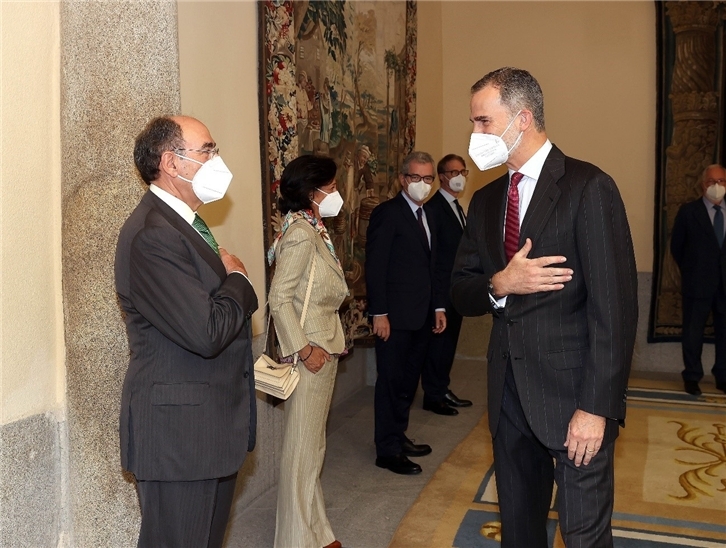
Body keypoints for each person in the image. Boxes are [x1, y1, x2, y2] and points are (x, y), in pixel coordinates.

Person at [450, 68, 638, 547]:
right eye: (473, 123)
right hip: (508, 398)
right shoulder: (487, 199)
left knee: (583, 536)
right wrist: (501, 282)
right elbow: (461, 289)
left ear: (523, 118)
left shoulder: (588, 187)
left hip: (574, 397)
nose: (476, 136)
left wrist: (597, 408)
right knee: (520, 533)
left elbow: (614, 311)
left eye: (484, 122)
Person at [115, 116, 258, 548]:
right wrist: (239, 279)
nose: (218, 161)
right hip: (181, 437)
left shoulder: (183, 223)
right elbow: (207, 330)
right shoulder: (152, 235)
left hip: (206, 429)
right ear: (171, 163)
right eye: (208, 150)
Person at [268, 155, 349, 548]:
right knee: (302, 450)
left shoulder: (312, 229)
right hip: (312, 352)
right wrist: (304, 350)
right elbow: (279, 298)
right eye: (332, 188)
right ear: (312, 190)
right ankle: (296, 540)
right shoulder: (301, 232)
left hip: (322, 346)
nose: (337, 194)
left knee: (311, 446)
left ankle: (316, 532)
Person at [366, 151, 447, 475]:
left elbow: (435, 267)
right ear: (403, 179)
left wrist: (438, 306)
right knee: (390, 382)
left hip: (422, 316)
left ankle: (398, 436)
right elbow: (376, 266)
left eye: (428, 179)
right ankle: (386, 449)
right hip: (394, 318)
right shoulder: (388, 213)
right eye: (416, 178)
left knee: (408, 382)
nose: (422, 184)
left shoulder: (430, 215)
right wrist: (379, 313)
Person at [421, 154, 474, 415]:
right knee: (439, 346)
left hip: (456, 288)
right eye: (454, 172)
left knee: (449, 343)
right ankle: (433, 395)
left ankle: (442, 387)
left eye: (463, 172)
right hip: (442, 289)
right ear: (442, 176)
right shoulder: (434, 209)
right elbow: (435, 257)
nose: (460, 178)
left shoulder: (456, 206)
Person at [670, 164, 726, 395]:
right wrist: (693, 270)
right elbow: (677, 247)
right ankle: (692, 376)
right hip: (697, 283)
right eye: (712, 181)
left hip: (725, 286)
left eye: (721, 181)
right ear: (703, 185)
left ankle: (722, 376)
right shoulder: (689, 212)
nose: (716, 186)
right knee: (693, 333)